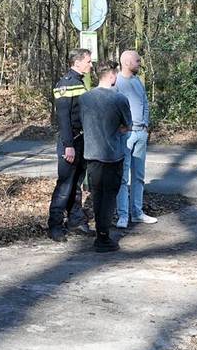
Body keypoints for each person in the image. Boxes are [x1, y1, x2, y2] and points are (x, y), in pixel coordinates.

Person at [79, 61, 133, 252]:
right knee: (109, 197)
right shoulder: (119, 99)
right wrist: (116, 130)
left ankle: (100, 234)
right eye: (115, 75)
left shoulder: (84, 98)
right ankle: (103, 237)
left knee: (97, 195)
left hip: (91, 154)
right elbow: (128, 126)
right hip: (112, 155)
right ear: (111, 76)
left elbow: (81, 122)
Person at [48, 48, 93, 242]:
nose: (91, 64)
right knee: (65, 185)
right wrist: (68, 145)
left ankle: (75, 220)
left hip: (81, 140)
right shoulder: (65, 85)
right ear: (77, 62)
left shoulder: (80, 83)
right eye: (88, 61)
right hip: (71, 142)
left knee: (76, 184)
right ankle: (55, 225)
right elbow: (64, 118)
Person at [115, 50, 157, 229]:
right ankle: (123, 215)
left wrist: (145, 126)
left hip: (141, 133)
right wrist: (120, 128)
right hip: (125, 135)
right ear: (126, 62)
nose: (140, 62)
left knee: (139, 177)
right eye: (137, 60)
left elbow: (145, 103)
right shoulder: (116, 82)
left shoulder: (138, 81)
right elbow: (111, 107)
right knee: (123, 178)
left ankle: (137, 212)